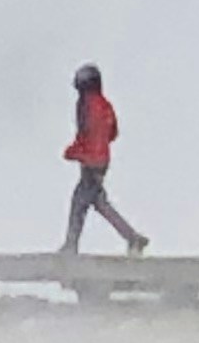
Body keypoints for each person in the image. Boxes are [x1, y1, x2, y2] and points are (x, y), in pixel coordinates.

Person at [59, 63, 148, 256]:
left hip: (92, 162)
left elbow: (89, 135)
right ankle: (132, 237)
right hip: (100, 161)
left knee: (80, 203)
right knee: (98, 203)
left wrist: (77, 152)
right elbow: (112, 133)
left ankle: (72, 245)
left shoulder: (88, 106)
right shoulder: (104, 104)